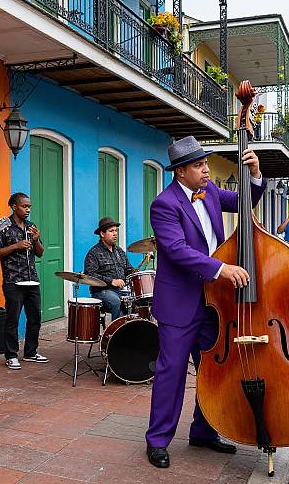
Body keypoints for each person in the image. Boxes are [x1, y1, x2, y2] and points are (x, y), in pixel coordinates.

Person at [144, 136, 266, 469]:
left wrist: (255, 173)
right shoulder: (164, 204)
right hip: (179, 303)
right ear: (180, 171)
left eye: (206, 164)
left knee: (214, 371)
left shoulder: (210, 191)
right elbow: (177, 251)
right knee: (171, 373)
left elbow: (245, 201)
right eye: (199, 166)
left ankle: (204, 431)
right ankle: (157, 440)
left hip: (215, 303)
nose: (207, 171)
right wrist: (221, 267)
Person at [0, 193, 48, 370]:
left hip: (32, 280)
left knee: (35, 318)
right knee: (12, 319)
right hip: (13, 281)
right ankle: (11, 355)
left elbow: (40, 253)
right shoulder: (4, 227)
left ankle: (31, 352)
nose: (28, 209)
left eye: (29, 206)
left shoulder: (32, 227)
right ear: (14, 207)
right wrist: (15, 246)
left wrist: (37, 240)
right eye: (24, 206)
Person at [84, 217, 134, 321]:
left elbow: (128, 269)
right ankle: (115, 334)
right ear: (102, 234)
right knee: (116, 302)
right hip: (102, 291)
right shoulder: (94, 253)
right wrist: (111, 281)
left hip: (121, 290)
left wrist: (136, 274)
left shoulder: (119, 251)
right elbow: (90, 275)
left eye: (116, 230)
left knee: (137, 300)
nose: (115, 233)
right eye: (111, 231)